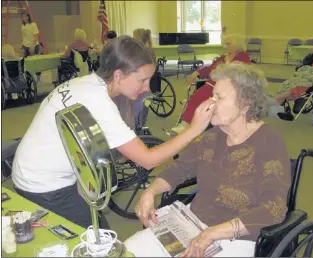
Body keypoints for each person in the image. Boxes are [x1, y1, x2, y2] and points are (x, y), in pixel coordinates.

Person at [11, 36, 215, 229]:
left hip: (31, 170)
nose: (146, 88)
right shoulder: (98, 102)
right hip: (42, 184)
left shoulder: (86, 83)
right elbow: (148, 159)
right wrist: (194, 129)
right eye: (142, 80)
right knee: (103, 240)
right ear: (119, 75)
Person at [125, 62, 291, 257]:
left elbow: (274, 208)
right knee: (128, 250)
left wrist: (213, 233)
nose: (210, 103)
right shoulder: (213, 136)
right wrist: (150, 192)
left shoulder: (268, 140)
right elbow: (180, 168)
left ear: (245, 105)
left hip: (236, 237)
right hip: (192, 221)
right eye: (213, 95)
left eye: (219, 97)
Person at [170, 34, 250, 134]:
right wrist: (197, 72)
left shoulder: (243, 57)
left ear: (236, 45)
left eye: (228, 43)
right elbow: (209, 69)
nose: (225, 46)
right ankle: (186, 124)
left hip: (229, 86)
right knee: (196, 97)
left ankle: (187, 125)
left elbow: (238, 73)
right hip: (212, 85)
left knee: (199, 96)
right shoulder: (222, 58)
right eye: (225, 44)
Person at [132, 28, 155, 126]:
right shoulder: (148, 49)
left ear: (138, 38)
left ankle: (136, 125)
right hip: (148, 83)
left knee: (137, 105)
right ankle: (139, 125)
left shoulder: (141, 52)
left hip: (143, 84)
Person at [20, 11, 41, 83]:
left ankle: (38, 78)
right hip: (25, 45)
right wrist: (22, 44)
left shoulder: (33, 24)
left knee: (36, 62)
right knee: (25, 62)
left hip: (34, 45)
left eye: (25, 16)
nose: (24, 18)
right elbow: (24, 35)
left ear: (28, 17)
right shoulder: (23, 25)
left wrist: (33, 46)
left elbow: (36, 36)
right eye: (23, 17)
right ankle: (27, 77)